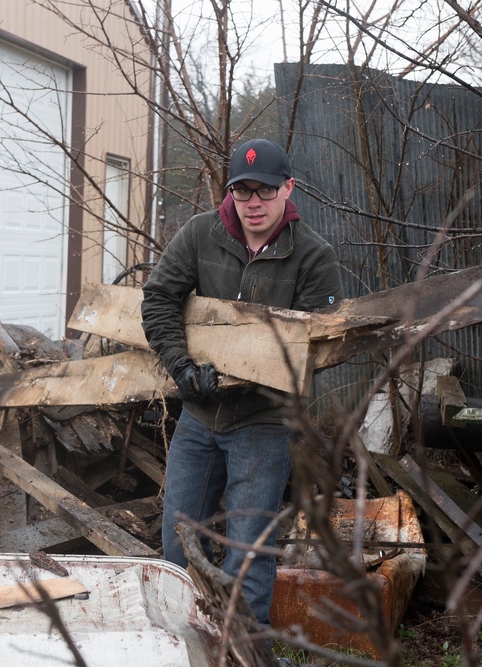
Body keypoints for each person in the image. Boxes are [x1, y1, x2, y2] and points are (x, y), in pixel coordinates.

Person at [141, 138, 341, 626]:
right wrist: (183, 368)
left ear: (287, 189)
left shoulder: (313, 256)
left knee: (249, 553)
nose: (253, 203)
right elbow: (159, 299)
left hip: (263, 423)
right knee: (179, 543)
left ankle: (245, 652)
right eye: (242, 191)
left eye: (265, 191)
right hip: (198, 415)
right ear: (229, 191)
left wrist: (238, 379)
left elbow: (316, 351)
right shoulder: (199, 235)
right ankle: (186, 642)